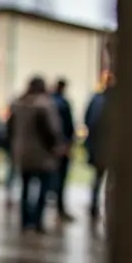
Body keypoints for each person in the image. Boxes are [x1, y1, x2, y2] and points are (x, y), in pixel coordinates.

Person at [8, 77, 66, 233]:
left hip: (22, 152)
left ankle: (25, 221)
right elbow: (50, 130)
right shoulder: (45, 105)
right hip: (42, 154)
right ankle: (38, 221)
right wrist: (56, 147)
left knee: (25, 188)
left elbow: (10, 128)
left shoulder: (18, 104)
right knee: (43, 189)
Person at [84, 71, 114, 221]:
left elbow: (88, 121)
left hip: (98, 146)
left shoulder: (96, 99)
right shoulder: (113, 102)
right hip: (107, 146)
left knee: (98, 178)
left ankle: (94, 206)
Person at [50, 78, 77, 222]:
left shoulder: (48, 102)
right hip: (61, 146)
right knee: (60, 179)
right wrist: (68, 145)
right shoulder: (63, 104)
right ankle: (59, 208)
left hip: (49, 149)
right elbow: (69, 127)